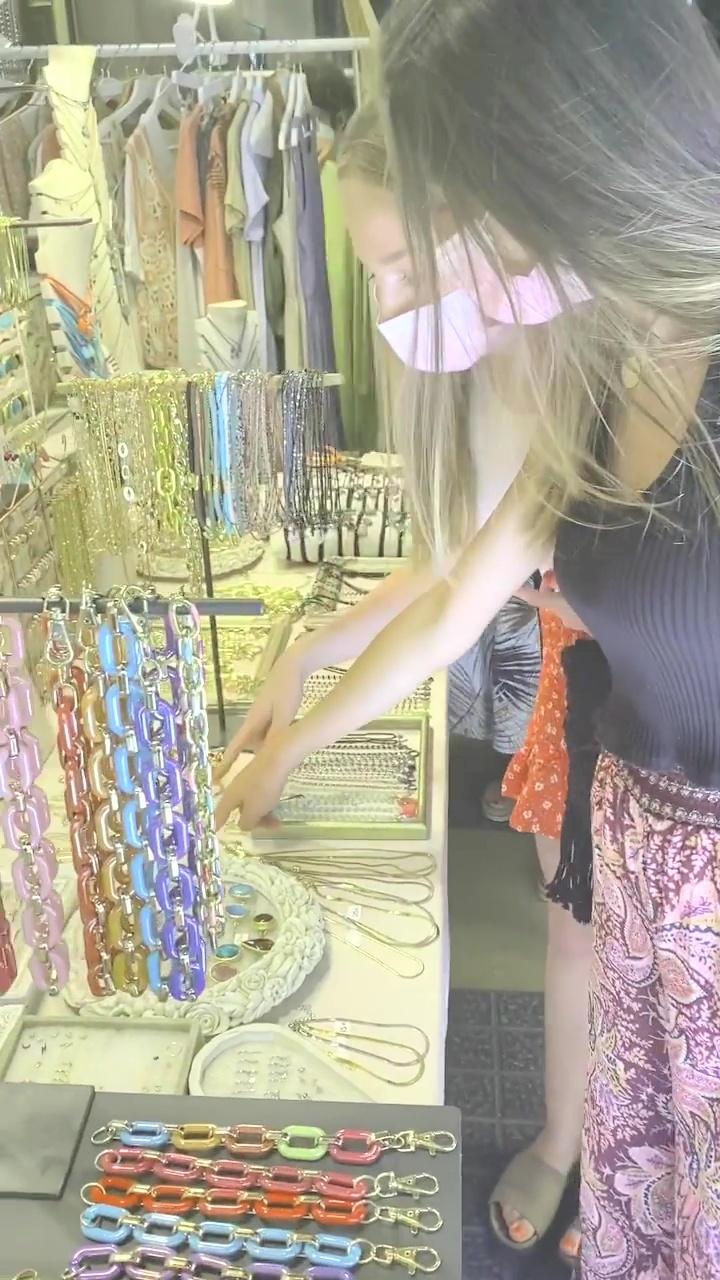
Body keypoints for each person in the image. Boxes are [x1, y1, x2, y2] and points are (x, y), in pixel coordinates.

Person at [218, 3, 720, 1273]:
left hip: (696, 897)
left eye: (411, 262)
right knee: (649, 1197)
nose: (398, 301)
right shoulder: (611, 357)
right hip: (644, 869)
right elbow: (456, 594)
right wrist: (291, 729)